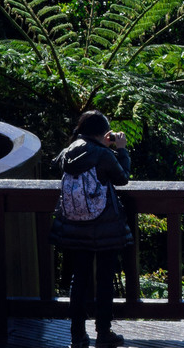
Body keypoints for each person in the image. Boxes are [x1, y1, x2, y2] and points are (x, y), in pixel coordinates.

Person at [50, 110, 133, 348]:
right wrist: (121, 149)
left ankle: (77, 335)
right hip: (104, 226)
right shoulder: (103, 155)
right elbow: (123, 178)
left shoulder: (68, 152)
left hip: (74, 226)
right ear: (104, 132)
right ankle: (103, 332)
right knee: (104, 279)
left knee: (79, 280)